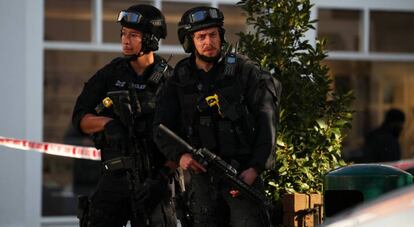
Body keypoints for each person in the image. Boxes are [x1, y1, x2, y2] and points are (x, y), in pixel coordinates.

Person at [154, 6, 281, 227]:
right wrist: (181, 156)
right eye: (200, 36)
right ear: (189, 41)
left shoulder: (244, 71)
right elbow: (161, 126)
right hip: (202, 179)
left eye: (213, 34)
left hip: (242, 176)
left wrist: (255, 168)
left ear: (221, 36)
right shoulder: (179, 78)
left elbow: (267, 120)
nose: (208, 41)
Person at [72, 4, 177, 227]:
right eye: (123, 34)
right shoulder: (110, 73)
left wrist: (162, 178)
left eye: (133, 35)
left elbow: (185, 135)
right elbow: (80, 118)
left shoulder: (171, 81)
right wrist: (107, 123)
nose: (125, 40)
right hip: (114, 178)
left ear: (150, 39)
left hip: (154, 180)